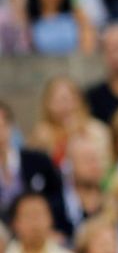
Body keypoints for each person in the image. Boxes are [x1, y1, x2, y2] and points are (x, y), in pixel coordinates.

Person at [0, 100, 69, 235]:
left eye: (3, 126)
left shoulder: (38, 161)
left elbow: (57, 196)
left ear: (11, 127)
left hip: (39, 233)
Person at [29, 75, 111, 169]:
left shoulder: (96, 131)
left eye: (67, 99)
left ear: (78, 101)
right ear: (47, 104)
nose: (64, 106)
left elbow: (105, 166)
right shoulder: (41, 134)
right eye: (57, 101)